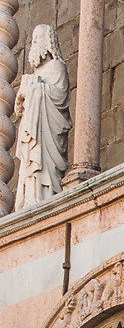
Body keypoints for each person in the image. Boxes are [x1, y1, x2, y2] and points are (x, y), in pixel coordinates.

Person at [13, 25, 71, 209]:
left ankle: (43, 195)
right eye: (33, 40)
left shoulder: (57, 67)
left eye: (38, 39)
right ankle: (29, 197)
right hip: (32, 130)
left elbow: (60, 97)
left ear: (48, 42)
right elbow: (20, 109)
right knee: (29, 167)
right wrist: (22, 97)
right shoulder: (35, 74)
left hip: (47, 132)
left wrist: (36, 87)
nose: (34, 44)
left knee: (44, 168)